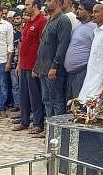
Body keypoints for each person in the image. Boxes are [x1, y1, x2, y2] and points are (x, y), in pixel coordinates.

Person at [34, 0, 72, 136]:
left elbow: (62, 46)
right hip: (44, 68)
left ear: (56, 3)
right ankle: (49, 129)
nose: (45, 2)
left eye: (49, 1)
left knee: (56, 100)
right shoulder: (50, 20)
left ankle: (58, 132)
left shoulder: (63, 20)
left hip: (54, 69)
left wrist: (55, 66)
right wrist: (37, 66)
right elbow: (43, 45)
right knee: (47, 99)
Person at [12, 0, 47, 135]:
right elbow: (23, 44)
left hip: (34, 65)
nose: (25, 8)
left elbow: (41, 45)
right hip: (24, 64)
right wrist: (20, 63)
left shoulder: (41, 21)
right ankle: (24, 120)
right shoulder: (28, 22)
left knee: (35, 96)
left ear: (35, 6)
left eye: (27, 5)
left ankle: (38, 123)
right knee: (24, 95)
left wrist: (37, 66)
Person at [77, 1, 103, 104]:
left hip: (100, 77)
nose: (92, 15)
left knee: (94, 107)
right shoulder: (97, 31)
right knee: (86, 104)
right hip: (91, 75)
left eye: (96, 12)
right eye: (93, 12)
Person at [63, 0, 96, 100]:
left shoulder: (94, 28)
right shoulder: (79, 26)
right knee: (71, 103)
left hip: (82, 71)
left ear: (90, 13)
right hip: (71, 73)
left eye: (81, 9)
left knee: (79, 103)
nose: (77, 11)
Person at [9, 9, 23, 114]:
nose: (16, 21)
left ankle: (25, 106)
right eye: (14, 19)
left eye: (18, 18)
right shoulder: (12, 33)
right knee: (15, 85)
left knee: (24, 86)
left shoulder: (25, 30)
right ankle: (17, 104)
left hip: (25, 62)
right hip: (13, 62)